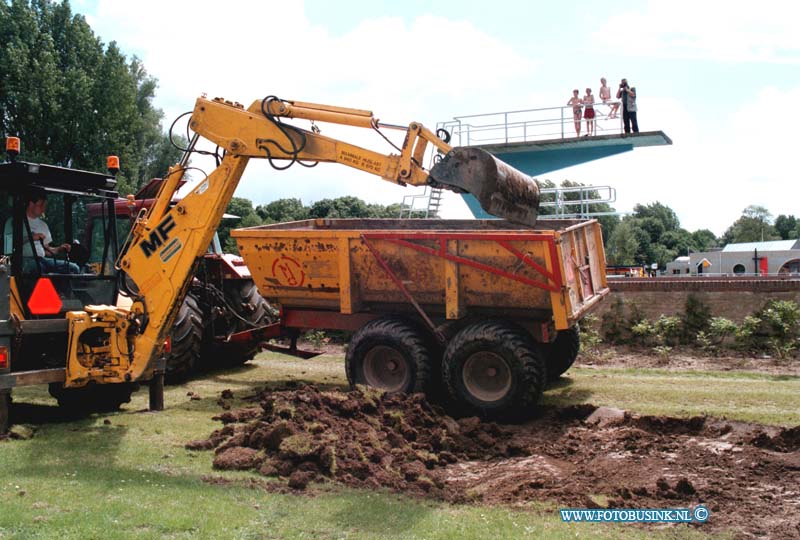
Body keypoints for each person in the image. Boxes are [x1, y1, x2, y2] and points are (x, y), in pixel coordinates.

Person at [23, 188, 79, 273]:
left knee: (73, 268)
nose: (43, 209)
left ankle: (61, 286)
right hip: (23, 260)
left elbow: (47, 251)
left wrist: (60, 248)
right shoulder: (15, 222)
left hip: (42, 259)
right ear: (31, 204)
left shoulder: (43, 225)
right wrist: (31, 237)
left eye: (44, 206)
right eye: (41, 205)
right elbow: (10, 245)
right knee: (37, 268)